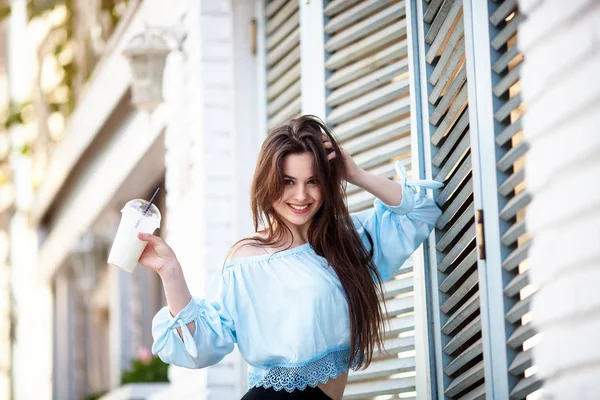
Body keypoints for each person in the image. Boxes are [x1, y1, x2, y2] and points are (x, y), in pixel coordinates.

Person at [136, 115, 443, 400]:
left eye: (313, 181)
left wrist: (355, 174)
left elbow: (420, 212)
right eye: (288, 182)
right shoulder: (248, 262)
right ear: (268, 183)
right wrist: (169, 270)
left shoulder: (347, 239)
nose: (301, 196)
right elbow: (200, 346)